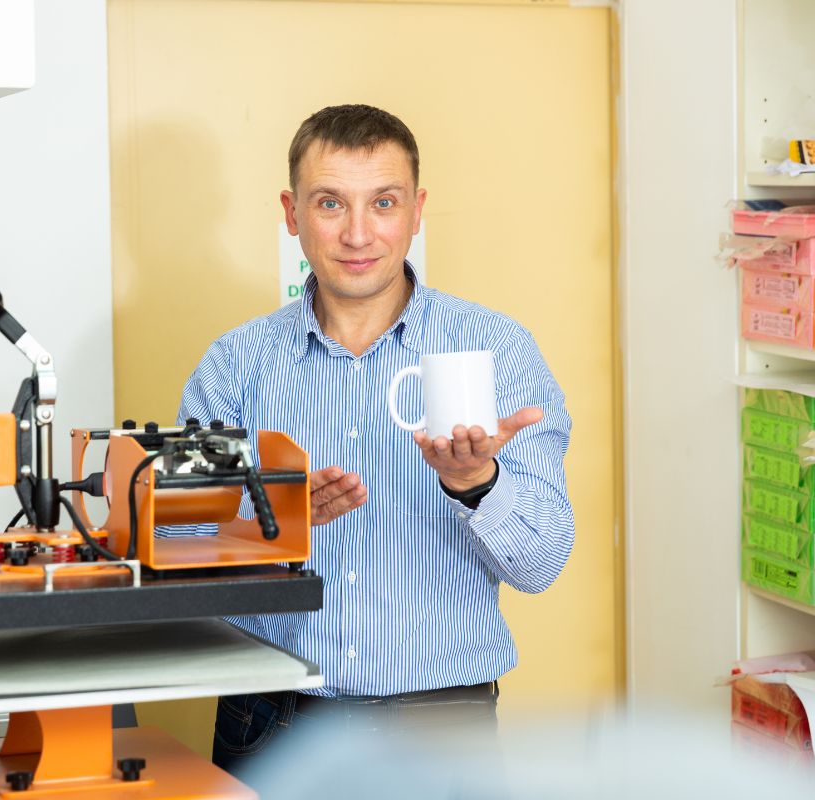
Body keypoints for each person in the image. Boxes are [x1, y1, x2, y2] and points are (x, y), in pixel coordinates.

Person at [174, 104, 574, 775]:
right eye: (330, 203)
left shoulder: (498, 351)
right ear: (291, 212)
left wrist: (479, 484)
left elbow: (541, 565)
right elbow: (178, 558)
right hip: (273, 725)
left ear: (416, 211)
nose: (358, 233)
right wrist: (275, 523)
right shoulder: (234, 365)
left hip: (444, 729)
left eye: (382, 203)